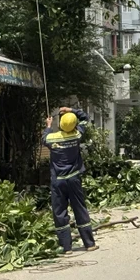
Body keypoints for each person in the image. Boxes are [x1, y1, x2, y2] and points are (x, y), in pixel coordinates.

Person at [43, 106, 97, 254]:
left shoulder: (51, 138)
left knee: (60, 212)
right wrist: (72, 110)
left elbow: (44, 137)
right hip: (74, 179)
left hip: (58, 181)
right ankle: (89, 244)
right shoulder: (77, 135)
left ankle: (66, 248)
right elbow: (85, 119)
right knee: (80, 208)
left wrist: (48, 125)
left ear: (60, 124)